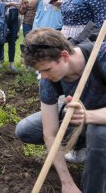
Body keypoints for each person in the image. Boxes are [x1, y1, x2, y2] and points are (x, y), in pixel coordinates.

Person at [15, 28, 106, 193]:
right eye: (40, 71)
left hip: (100, 119)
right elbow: (49, 133)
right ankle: (82, 146)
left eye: (47, 70)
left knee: (98, 133)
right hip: (80, 116)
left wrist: (88, 116)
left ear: (64, 56)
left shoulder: (101, 57)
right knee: (26, 129)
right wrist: (67, 183)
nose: (43, 76)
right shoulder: (48, 79)